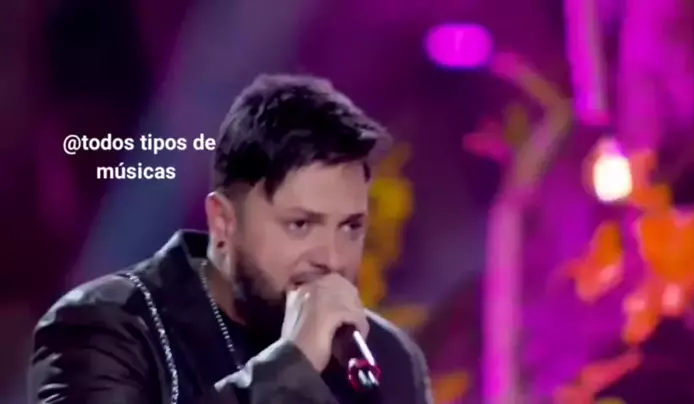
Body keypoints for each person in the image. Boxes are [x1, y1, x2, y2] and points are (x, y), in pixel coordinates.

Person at [29, 74, 433, 404]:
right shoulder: (105, 329)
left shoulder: (387, 357)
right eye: (300, 224)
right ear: (223, 222)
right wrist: (292, 364)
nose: (332, 259)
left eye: (350, 227)